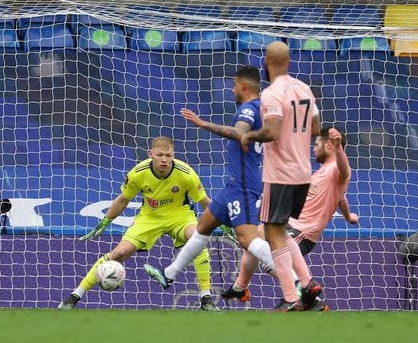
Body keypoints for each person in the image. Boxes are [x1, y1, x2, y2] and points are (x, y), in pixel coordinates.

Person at [143, 65, 281, 302]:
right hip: (233, 185)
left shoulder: (249, 108)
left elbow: (239, 133)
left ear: (243, 85)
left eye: (234, 85)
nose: (232, 89)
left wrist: (204, 124)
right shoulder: (261, 107)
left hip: (243, 185)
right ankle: (169, 274)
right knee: (203, 227)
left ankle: (298, 281)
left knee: (247, 239)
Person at [58, 136, 216, 310]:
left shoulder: (186, 174)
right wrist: (106, 221)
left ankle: (206, 299)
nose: (164, 160)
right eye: (160, 155)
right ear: (150, 154)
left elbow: (205, 202)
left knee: (197, 239)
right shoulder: (138, 173)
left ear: (173, 155)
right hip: (149, 218)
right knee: (118, 253)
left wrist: (221, 222)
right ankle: (74, 297)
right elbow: (123, 199)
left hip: (180, 215)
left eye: (168, 155)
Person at [223, 127, 358, 311]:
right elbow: (340, 197)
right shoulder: (322, 172)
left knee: (267, 260)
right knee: (253, 239)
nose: (313, 148)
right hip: (290, 225)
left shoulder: (336, 168)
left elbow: (345, 171)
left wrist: (339, 149)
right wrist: (348, 215)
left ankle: (304, 297)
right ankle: (241, 287)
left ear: (329, 145)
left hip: (302, 232)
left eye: (317, 144)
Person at [239, 41, 322, 311]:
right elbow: (316, 127)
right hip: (303, 171)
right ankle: (308, 284)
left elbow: (272, 131)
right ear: (288, 61)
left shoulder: (272, 94)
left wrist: (249, 134)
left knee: (273, 235)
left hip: (280, 174)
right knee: (281, 231)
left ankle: (290, 297)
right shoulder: (304, 88)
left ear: (267, 62)